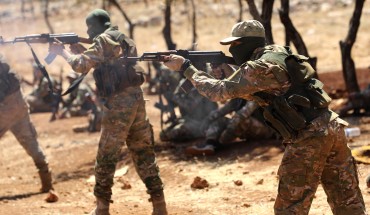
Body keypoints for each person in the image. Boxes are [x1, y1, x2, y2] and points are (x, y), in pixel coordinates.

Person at [164, 20, 366, 214]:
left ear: (246, 44)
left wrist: (186, 68)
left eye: (234, 44)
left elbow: (217, 93)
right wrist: (227, 73)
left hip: (309, 138)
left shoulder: (257, 67)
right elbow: (256, 89)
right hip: (332, 127)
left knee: (290, 208)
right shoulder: (278, 53)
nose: (231, 49)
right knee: (347, 201)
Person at [48, 9, 167, 215]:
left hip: (118, 103)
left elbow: (80, 65)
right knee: (143, 152)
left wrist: (62, 52)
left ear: (95, 26)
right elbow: (105, 63)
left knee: (106, 155)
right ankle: (159, 205)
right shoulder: (122, 38)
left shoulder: (102, 40)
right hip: (136, 100)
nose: (88, 31)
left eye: (89, 27)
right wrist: (80, 50)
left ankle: (102, 208)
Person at [0, 54, 55, 194]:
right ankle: (47, 182)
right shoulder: (4, 62)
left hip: (4, 109)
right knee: (31, 143)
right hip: (20, 106)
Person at [186, 99, 276, 155]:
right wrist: (207, 120)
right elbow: (222, 111)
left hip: (266, 129)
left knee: (242, 121)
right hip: (249, 129)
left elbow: (242, 115)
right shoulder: (238, 98)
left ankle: (219, 144)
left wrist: (226, 134)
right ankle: (210, 144)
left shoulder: (255, 95)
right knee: (221, 120)